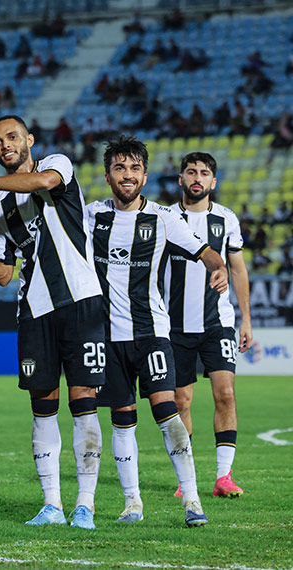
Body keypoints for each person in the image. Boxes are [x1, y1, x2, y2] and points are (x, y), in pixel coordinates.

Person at [0, 115, 107, 529]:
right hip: (34, 310)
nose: (4, 146)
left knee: (84, 402)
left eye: (12, 138)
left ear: (29, 139)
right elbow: (1, 271)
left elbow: (42, 183)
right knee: (42, 408)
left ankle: (84, 503)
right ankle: (51, 504)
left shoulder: (58, 164)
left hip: (80, 301)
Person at [88, 136, 224, 527]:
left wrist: (217, 268)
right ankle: (133, 503)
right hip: (108, 337)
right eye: (119, 168)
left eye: (134, 169)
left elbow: (204, 251)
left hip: (151, 330)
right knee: (122, 418)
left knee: (167, 412)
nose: (127, 175)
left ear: (144, 176)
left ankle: (193, 501)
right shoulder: (92, 215)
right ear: (108, 174)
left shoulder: (165, 218)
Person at [166, 152, 252, 499]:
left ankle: (223, 477)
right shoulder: (166, 217)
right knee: (181, 400)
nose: (197, 177)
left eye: (204, 173)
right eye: (191, 172)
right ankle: (184, 479)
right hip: (175, 325)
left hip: (218, 323)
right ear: (181, 180)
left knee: (226, 394)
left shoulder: (226, 219)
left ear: (213, 182)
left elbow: (238, 270)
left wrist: (246, 319)